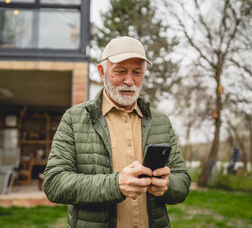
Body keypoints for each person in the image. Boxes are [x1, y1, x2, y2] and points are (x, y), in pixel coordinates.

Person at [43, 36, 191, 228]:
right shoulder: (74, 119)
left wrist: (167, 185)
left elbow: (183, 181)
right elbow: (54, 183)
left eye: (137, 72)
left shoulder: (161, 121)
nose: (129, 81)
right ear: (101, 72)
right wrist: (116, 185)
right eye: (120, 71)